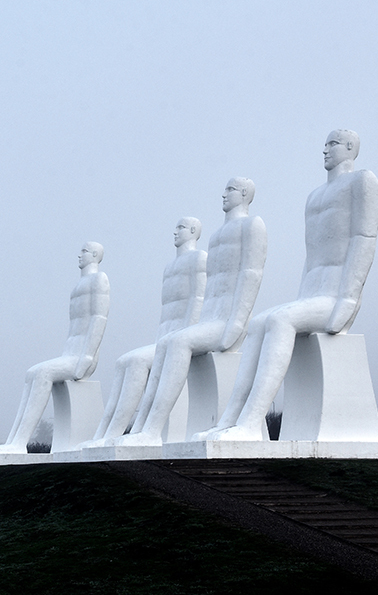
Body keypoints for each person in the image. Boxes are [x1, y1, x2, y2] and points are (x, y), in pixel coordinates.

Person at [197, 130, 378, 442]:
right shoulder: (314, 197)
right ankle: (231, 419)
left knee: (279, 320)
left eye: (332, 144)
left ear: (351, 148)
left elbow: (364, 239)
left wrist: (347, 301)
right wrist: (299, 302)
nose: (325, 149)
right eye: (324, 143)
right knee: (257, 324)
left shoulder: (362, 182)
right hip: (312, 295)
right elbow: (312, 255)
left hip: (335, 295)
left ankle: (253, 420)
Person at [113, 178, 267, 447]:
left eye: (230, 189)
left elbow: (250, 274)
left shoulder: (252, 225)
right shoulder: (218, 236)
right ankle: (142, 429)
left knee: (176, 341)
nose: (224, 194)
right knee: (168, 343)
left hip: (226, 322)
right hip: (211, 319)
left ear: (244, 193)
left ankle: (151, 430)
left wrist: (236, 324)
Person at [79, 218, 206, 447]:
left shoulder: (199, 259)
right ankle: (108, 434)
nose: (175, 231)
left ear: (194, 231)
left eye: (181, 227)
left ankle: (142, 430)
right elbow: (166, 314)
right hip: (164, 339)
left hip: (179, 338)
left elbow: (197, 299)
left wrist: (184, 337)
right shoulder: (169, 268)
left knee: (137, 361)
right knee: (122, 362)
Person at [0, 242, 110, 454]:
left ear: (95, 254)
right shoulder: (77, 287)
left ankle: (20, 442)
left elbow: (99, 318)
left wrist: (87, 357)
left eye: (84, 251)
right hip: (69, 354)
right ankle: (14, 440)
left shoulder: (99, 279)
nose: (79, 255)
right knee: (31, 373)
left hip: (82, 357)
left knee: (43, 372)